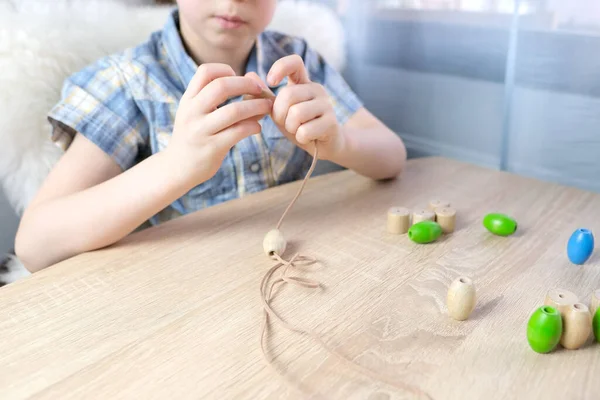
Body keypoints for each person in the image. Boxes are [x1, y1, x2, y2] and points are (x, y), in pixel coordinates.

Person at [15, 0, 407, 272]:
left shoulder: (296, 58)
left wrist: (340, 144)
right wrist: (176, 164)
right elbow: (36, 243)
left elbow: (392, 156)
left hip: (290, 269)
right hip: (182, 296)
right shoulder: (131, 81)